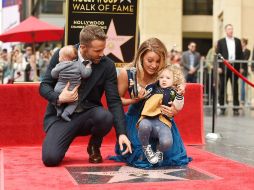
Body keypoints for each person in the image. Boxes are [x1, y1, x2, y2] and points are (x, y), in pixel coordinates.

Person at [39, 25, 131, 167]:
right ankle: (63, 139)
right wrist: (59, 98)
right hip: (62, 116)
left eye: (103, 49)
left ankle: (94, 145)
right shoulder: (62, 54)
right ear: (83, 47)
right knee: (50, 159)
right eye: (97, 50)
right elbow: (44, 86)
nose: (102, 54)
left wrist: (121, 133)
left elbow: (113, 101)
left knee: (106, 117)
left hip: (89, 114)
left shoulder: (107, 65)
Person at [110, 38, 191, 168]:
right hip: (136, 118)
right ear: (141, 57)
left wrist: (174, 110)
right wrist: (134, 100)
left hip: (161, 117)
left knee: (171, 154)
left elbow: (177, 92)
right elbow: (116, 100)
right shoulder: (128, 72)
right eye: (150, 60)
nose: (154, 65)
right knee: (141, 156)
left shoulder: (165, 72)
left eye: (158, 61)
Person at [137, 65, 185, 164]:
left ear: (174, 80)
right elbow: (141, 92)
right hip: (148, 119)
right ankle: (146, 147)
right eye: (161, 77)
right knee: (143, 125)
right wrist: (135, 86)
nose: (164, 80)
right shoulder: (152, 88)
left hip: (163, 122)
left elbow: (178, 106)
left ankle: (159, 150)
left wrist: (179, 94)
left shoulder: (174, 93)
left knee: (167, 142)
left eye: (168, 78)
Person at [51, 45, 92, 122]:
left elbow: (53, 75)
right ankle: (66, 113)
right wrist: (88, 67)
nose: (58, 58)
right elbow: (85, 74)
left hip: (59, 88)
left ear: (63, 58)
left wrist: (57, 73)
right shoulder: (79, 64)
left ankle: (59, 109)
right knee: (74, 102)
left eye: (59, 57)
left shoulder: (59, 65)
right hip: (72, 90)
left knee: (56, 98)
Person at [216, 24, 243, 116]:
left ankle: (236, 107)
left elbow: (241, 54)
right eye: (229, 29)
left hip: (235, 67)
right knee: (222, 87)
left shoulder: (238, 41)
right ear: (226, 31)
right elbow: (218, 54)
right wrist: (219, 67)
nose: (231, 30)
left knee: (235, 87)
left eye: (232, 29)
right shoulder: (221, 42)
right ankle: (222, 107)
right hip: (224, 68)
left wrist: (242, 67)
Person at [240, 38, 250, 104]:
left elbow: (245, 59)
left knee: (243, 85)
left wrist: (242, 68)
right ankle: (241, 99)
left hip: (244, 70)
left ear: (244, 43)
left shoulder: (248, 51)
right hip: (239, 69)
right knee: (241, 85)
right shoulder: (240, 51)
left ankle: (243, 99)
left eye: (242, 42)